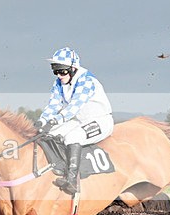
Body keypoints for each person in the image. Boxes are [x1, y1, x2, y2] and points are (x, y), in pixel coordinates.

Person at [34, 47, 114, 195]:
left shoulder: (87, 81)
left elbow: (73, 107)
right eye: (55, 70)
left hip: (101, 120)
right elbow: (53, 105)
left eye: (62, 71)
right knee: (49, 134)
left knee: (72, 137)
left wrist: (54, 120)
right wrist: (42, 121)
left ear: (73, 68)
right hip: (79, 120)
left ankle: (72, 180)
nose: (59, 75)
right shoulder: (58, 83)